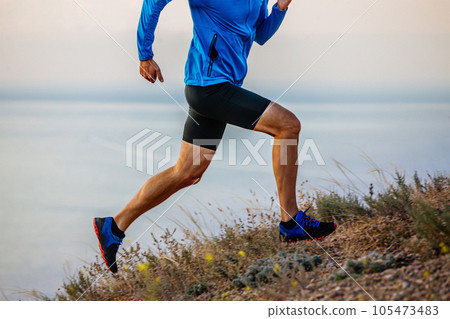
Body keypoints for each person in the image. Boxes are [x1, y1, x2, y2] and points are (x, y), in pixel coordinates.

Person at [94, 0, 336, 273]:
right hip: (209, 88)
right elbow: (154, 2)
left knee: (187, 172)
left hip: (220, 87)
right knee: (287, 125)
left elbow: (260, 34)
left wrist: (280, 7)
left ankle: (114, 225)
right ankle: (291, 221)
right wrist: (144, 53)